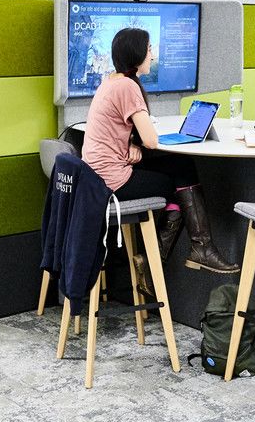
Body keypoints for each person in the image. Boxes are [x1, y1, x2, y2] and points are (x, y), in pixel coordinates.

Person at [81, 27, 239, 276]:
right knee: (181, 179)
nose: (152, 55)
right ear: (137, 53)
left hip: (95, 178)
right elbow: (152, 141)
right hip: (112, 181)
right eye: (149, 49)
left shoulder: (111, 81)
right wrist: (141, 142)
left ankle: (163, 255)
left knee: (180, 169)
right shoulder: (127, 87)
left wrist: (133, 144)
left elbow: (131, 133)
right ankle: (193, 250)